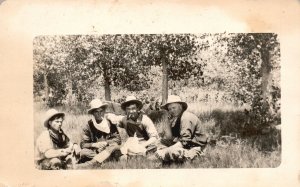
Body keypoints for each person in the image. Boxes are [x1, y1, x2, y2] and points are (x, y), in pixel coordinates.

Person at [155, 95, 208, 163]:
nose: (171, 111)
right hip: (186, 145)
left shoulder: (186, 117)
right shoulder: (177, 118)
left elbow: (185, 141)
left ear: (180, 107)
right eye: (169, 109)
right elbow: (169, 137)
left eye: (174, 108)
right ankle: (167, 155)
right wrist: (167, 123)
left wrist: (166, 150)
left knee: (172, 152)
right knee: (160, 141)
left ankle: (189, 157)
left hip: (196, 147)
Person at [76, 99, 122, 168]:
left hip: (108, 150)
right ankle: (104, 160)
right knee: (83, 152)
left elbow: (118, 139)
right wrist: (95, 145)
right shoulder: (88, 125)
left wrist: (106, 143)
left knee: (115, 146)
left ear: (104, 111)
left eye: (101, 111)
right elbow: (83, 144)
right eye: (96, 112)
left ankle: (91, 163)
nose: (99, 114)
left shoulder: (110, 123)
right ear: (93, 113)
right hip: (96, 151)